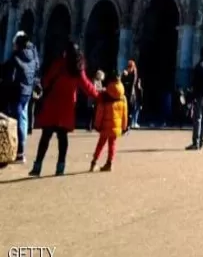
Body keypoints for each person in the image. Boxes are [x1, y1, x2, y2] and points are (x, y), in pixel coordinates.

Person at [29, 41, 100, 177]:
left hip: (53, 103)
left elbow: (46, 81)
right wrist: (99, 96)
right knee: (62, 138)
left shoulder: (58, 64)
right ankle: (60, 167)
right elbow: (87, 86)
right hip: (67, 106)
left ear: (65, 52)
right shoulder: (78, 68)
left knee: (45, 137)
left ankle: (37, 166)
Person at [2, 32, 38, 165]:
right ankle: (21, 151)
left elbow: (9, 74)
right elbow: (36, 70)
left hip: (17, 91)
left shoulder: (16, 56)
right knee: (23, 119)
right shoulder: (33, 55)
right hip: (27, 91)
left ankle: (19, 152)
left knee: (16, 121)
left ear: (18, 45)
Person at [91, 71, 128, 172]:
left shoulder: (105, 96)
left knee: (100, 144)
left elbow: (100, 112)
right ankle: (109, 163)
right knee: (112, 145)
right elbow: (124, 114)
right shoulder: (123, 97)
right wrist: (124, 127)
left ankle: (94, 162)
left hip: (105, 126)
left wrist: (97, 125)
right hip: (116, 126)